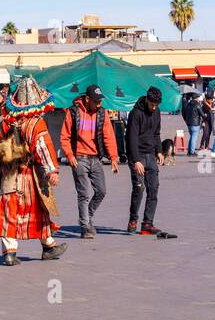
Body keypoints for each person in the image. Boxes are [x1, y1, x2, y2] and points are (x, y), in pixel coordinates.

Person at [0, 77, 66, 265]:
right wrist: (52, 171)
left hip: (9, 175)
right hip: (29, 175)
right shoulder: (35, 124)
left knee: (9, 212)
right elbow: (43, 148)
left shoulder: (5, 122)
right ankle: (48, 246)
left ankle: (10, 253)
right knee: (39, 209)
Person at [60, 85, 120, 238]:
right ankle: (86, 226)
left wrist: (113, 157)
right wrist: (70, 155)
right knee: (84, 193)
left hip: (95, 158)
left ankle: (88, 216)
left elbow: (109, 136)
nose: (99, 104)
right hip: (79, 158)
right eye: (96, 101)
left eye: (100, 101)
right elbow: (65, 136)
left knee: (101, 191)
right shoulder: (73, 112)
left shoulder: (102, 113)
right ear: (87, 99)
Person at [126, 85, 173, 237]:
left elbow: (156, 133)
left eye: (156, 105)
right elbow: (131, 138)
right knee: (139, 188)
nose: (154, 108)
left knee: (153, 189)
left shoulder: (157, 112)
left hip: (151, 155)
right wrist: (136, 160)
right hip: (138, 155)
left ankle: (147, 223)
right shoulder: (136, 113)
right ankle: (133, 219)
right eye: (152, 104)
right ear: (146, 99)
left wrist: (159, 151)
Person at [181, 92, 203, 156]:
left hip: (189, 123)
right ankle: (192, 152)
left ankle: (189, 151)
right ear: (196, 98)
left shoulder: (188, 104)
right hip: (195, 123)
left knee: (192, 137)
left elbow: (184, 113)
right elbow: (201, 114)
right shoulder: (197, 105)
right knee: (194, 138)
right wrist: (205, 116)